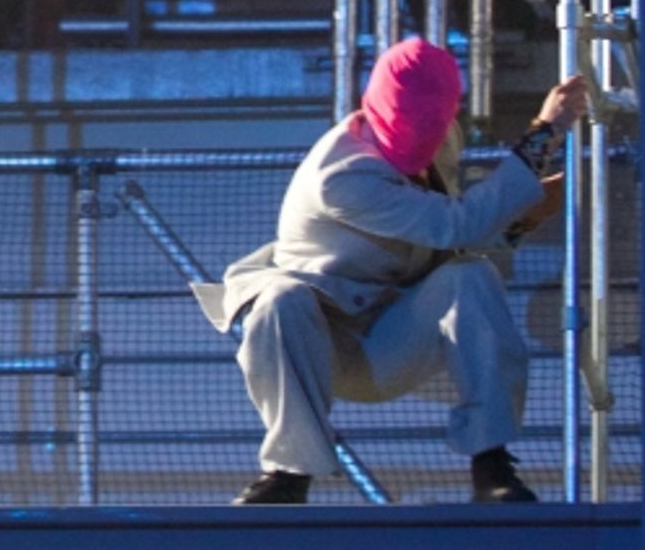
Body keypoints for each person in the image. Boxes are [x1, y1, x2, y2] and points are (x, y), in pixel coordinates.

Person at [195, 38, 589, 505]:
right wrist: (544, 135)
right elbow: (453, 222)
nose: (422, 137)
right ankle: (287, 474)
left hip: (395, 333)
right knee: (280, 301)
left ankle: (491, 464)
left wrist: (524, 215)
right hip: (329, 344)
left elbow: (446, 238)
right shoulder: (341, 176)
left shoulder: (444, 142)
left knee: (471, 276)